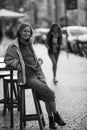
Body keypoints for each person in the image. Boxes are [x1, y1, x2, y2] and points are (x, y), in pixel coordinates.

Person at [4, 23, 66, 129]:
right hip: (27, 76)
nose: (27, 33)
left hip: (38, 72)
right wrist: (17, 64)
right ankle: (56, 115)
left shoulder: (29, 43)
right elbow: (7, 60)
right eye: (24, 31)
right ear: (19, 32)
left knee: (48, 95)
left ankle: (51, 121)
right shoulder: (13, 45)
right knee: (50, 92)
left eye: (28, 31)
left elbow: (30, 57)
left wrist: (37, 59)